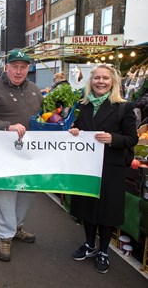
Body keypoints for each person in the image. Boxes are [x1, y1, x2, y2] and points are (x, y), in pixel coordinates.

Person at [68, 63, 138, 274]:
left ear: (113, 82)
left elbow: (132, 138)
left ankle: (104, 251)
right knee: (87, 206)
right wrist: (74, 131)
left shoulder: (124, 107)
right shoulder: (85, 105)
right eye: (96, 78)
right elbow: (80, 128)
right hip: (88, 165)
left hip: (111, 166)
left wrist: (113, 138)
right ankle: (90, 245)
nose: (100, 81)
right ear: (91, 82)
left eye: (105, 78)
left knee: (107, 210)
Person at [0, 49, 43, 262]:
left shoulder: (34, 90)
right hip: (4, 152)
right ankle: (4, 236)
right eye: (15, 66)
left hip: (29, 153)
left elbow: (43, 118)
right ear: (7, 67)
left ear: (28, 69)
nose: (19, 71)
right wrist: (7, 126)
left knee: (28, 192)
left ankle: (16, 227)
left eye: (23, 67)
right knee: (6, 193)